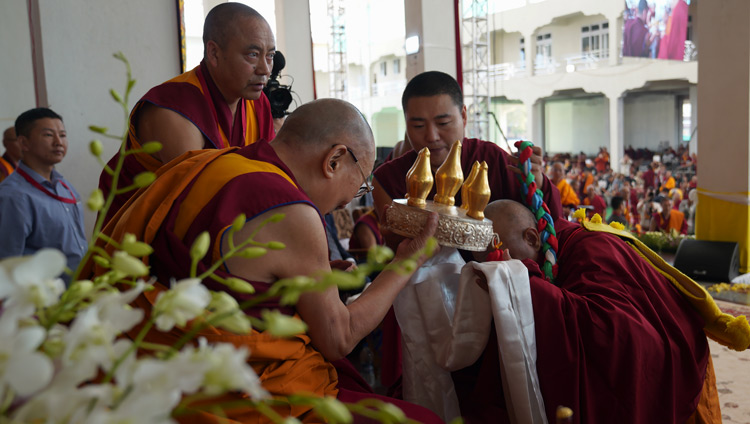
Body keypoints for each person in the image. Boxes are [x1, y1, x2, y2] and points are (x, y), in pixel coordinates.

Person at [90, 98, 443, 423]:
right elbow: (339, 337)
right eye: (362, 184)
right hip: (236, 398)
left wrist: (296, 282)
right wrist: (405, 263)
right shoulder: (291, 209)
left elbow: (216, 278)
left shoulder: (208, 163)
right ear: (334, 160)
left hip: (154, 372)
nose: (351, 200)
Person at [371, 70, 562, 396]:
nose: (431, 135)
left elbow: (546, 228)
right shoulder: (388, 179)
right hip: (430, 310)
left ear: (463, 116)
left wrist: (539, 183)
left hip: (499, 307)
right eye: (417, 125)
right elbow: (393, 249)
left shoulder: (494, 162)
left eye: (443, 123)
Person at [98, 3, 276, 224]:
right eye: (252, 54)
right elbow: (196, 201)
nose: (265, 69)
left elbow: (270, 176)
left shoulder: (258, 105)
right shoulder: (173, 109)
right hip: (139, 242)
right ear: (214, 53)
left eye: (270, 56)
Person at [0, 108, 87, 285]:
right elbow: (7, 263)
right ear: (24, 143)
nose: (58, 142)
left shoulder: (65, 186)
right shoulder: (13, 196)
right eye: (48, 135)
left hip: (78, 295)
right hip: (46, 304)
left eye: (62, 135)